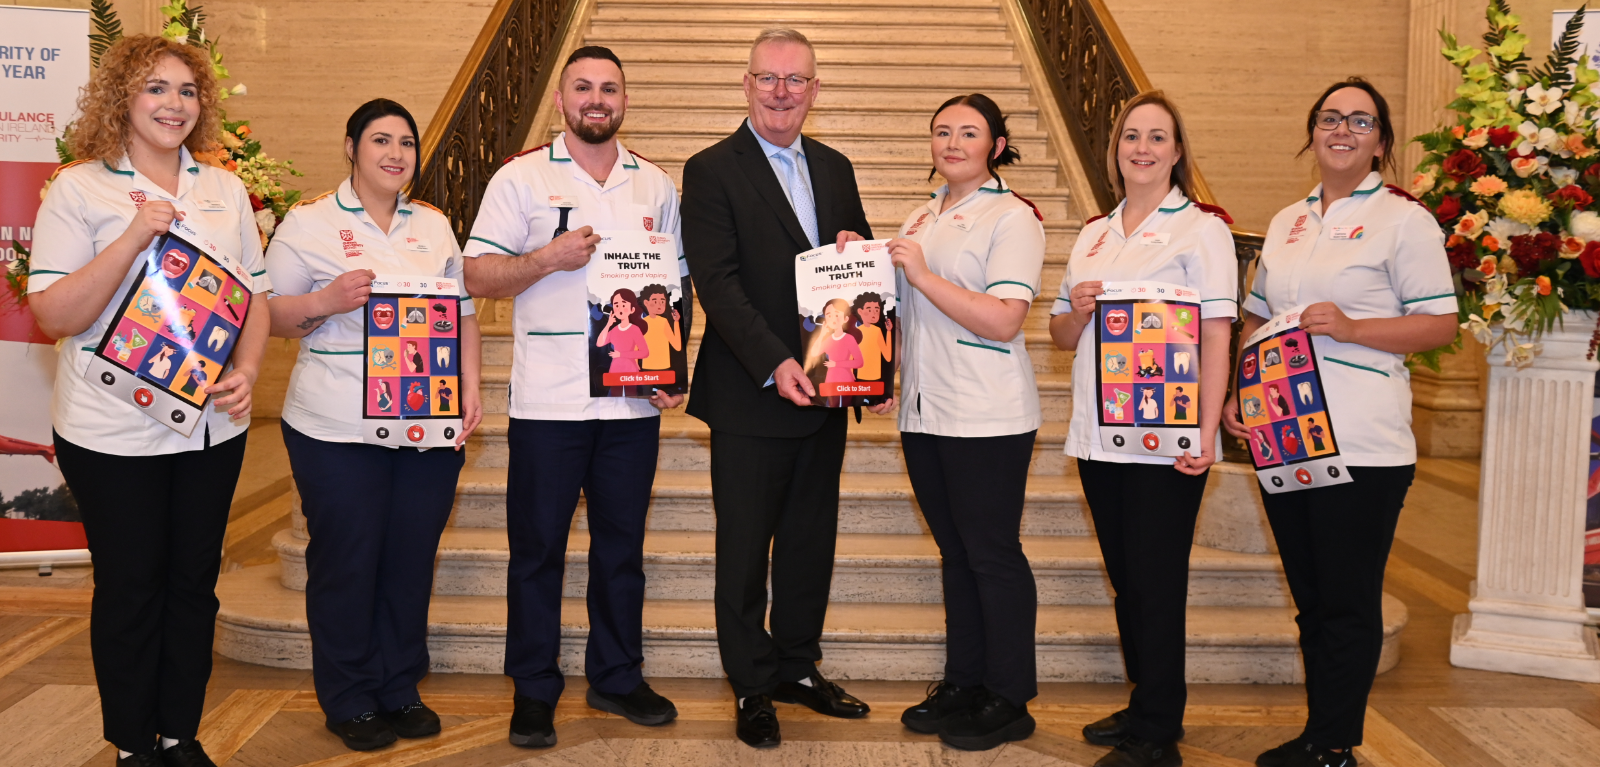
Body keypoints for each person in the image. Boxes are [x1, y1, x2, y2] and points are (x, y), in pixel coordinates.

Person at [26, 35, 271, 767]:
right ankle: (135, 744)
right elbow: (54, 314)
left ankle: (178, 734)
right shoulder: (80, 187)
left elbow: (254, 294)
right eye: (155, 89)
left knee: (194, 584)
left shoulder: (223, 189)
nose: (174, 104)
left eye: (187, 90)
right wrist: (133, 233)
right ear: (122, 101)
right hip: (111, 430)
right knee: (132, 586)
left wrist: (250, 369)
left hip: (209, 428)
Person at [1222, 77, 1458, 767]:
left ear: (1381, 140)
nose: (1342, 129)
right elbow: (1257, 316)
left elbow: (1440, 323)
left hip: (1362, 442)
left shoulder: (1404, 219)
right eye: (1330, 117)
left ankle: (1334, 745)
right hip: (1285, 434)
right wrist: (1244, 387)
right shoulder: (1289, 221)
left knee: (1349, 602)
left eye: (1360, 120)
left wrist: (1354, 327)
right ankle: (1317, 730)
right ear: (1312, 132)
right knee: (1313, 599)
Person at [461, 45, 687, 748]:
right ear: (561, 100)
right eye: (583, 87)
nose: (597, 98)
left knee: (622, 549)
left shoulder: (653, 183)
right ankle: (534, 688)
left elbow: (674, 287)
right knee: (537, 553)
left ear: (624, 101)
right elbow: (476, 274)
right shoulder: (521, 177)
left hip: (629, 405)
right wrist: (545, 260)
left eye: (609, 88)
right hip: (548, 405)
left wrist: (673, 365)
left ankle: (618, 675)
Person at [264, 98, 483, 752]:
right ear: (352, 146)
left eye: (406, 143)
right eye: (381, 140)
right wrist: (324, 301)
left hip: (426, 424)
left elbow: (464, 314)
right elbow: (269, 315)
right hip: (335, 427)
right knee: (348, 560)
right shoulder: (309, 223)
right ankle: (349, 694)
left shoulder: (435, 226)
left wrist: (471, 389)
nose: (396, 154)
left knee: (410, 558)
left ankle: (398, 684)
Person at [680, 27, 874, 750]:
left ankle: (797, 666)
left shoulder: (835, 164)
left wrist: (862, 255)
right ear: (746, 84)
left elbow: (860, 271)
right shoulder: (709, 169)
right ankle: (752, 684)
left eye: (796, 80)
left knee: (807, 543)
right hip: (750, 393)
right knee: (744, 550)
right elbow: (718, 285)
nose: (782, 92)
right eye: (769, 78)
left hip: (826, 393)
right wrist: (774, 360)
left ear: (815, 90)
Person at [1048, 90, 1237, 767]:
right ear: (1116, 148)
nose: (1143, 148)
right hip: (1099, 436)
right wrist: (1073, 308)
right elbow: (1063, 337)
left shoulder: (1202, 229)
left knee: (1157, 578)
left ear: (1177, 151)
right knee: (1129, 577)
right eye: (1132, 136)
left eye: (1158, 137)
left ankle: (1158, 732)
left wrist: (1209, 427)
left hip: (1168, 438)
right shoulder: (1095, 232)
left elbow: (1217, 332)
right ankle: (1145, 697)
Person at [888, 93, 1045, 752]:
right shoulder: (921, 215)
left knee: (992, 553)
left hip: (987, 413)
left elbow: (1004, 317)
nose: (952, 142)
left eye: (969, 132)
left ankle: (1010, 696)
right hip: (925, 410)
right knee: (957, 553)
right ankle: (965, 679)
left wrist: (919, 274)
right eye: (942, 131)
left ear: (997, 146)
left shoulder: (1014, 217)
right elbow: (897, 312)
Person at [638, 284, 682, 372]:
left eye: (662, 301)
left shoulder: (663, 322)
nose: (659, 305)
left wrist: (676, 322)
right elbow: (636, 346)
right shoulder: (642, 323)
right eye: (655, 301)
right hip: (647, 368)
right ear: (646, 303)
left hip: (665, 368)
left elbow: (677, 346)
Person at [852, 292, 892, 383]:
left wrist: (889, 332)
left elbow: (888, 357)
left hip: (877, 379)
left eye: (877, 310)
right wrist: (850, 374)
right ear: (860, 311)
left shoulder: (877, 331)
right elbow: (851, 356)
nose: (874, 313)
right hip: (859, 379)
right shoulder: (856, 332)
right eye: (869, 310)